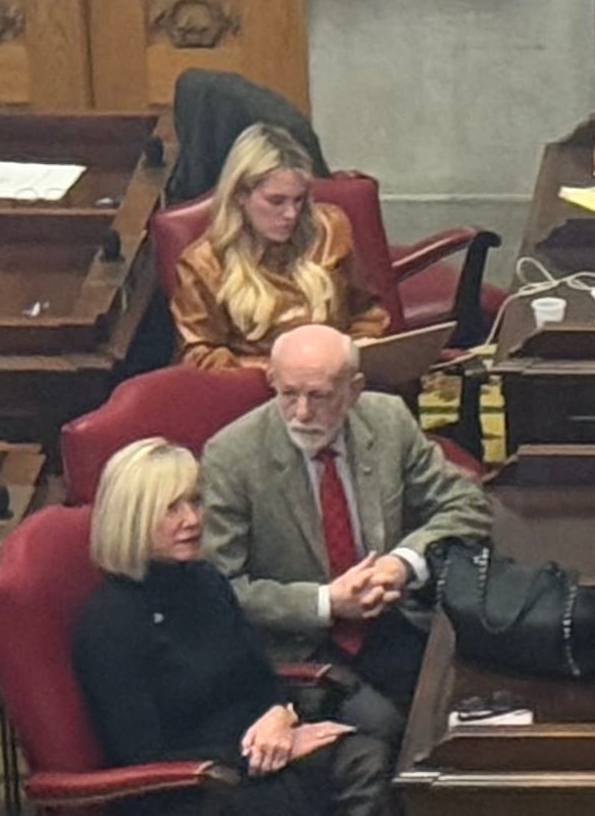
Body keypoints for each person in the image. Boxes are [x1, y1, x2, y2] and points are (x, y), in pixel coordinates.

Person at [76, 439, 414, 816]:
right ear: (132, 517)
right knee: (357, 770)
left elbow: (257, 674)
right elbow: (140, 752)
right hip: (189, 791)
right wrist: (262, 751)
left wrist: (283, 716)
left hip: (253, 753)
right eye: (171, 508)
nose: (192, 520)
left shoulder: (203, 581)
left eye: (195, 502)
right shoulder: (111, 622)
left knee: (369, 756)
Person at [199, 324, 493, 726]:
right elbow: (220, 590)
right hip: (302, 645)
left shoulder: (387, 421)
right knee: (390, 725)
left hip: (390, 619)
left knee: (475, 688)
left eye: (319, 396)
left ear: (354, 390)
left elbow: (466, 504)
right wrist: (326, 601)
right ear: (271, 381)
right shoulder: (231, 457)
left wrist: (402, 563)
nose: (301, 413)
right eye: (288, 395)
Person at [173, 126, 391, 372]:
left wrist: (356, 349)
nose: (291, 214)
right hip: (257, 393)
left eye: (298, 200)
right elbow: (199, 355)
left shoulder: (329, 230)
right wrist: (280, 370)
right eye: (276, 201)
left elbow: (367, 312)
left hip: (338, 383)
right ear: (240, 195)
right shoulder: (203, 262)